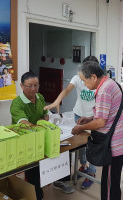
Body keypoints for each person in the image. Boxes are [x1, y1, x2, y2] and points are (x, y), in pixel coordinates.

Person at [71, 61, 123, 200]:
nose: (85, 85)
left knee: (109, 183)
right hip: (121, 138)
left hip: (114, 144)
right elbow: (107, 112)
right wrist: (89, 118)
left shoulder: (103, 90)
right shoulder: (110, 83)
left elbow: (100, 122)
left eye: (84, 81)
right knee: (112, 179)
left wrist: (81, 128)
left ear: (93, 77)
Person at [10, 72, 73, 200]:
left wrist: (45, 120)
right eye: (29, 86)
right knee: (33, 168)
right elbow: (24, 124)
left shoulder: (39, 97)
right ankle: (37, 194)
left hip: (42, 135)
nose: (33, 89)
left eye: (36, 85)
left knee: (64, 151)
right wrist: (43, 126)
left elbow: (45, 114)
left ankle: (59, 181)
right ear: (22, 86)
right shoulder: (17, 103)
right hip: (26, 139)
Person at [44, 56, 99, 190]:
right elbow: (67, 90)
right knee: (80, 143)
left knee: (92, 145)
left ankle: (91, 172)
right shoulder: (78, 77)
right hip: (79, 115)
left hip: (94, 117)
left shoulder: (100, 81)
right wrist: (57, 101)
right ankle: (84, 166)